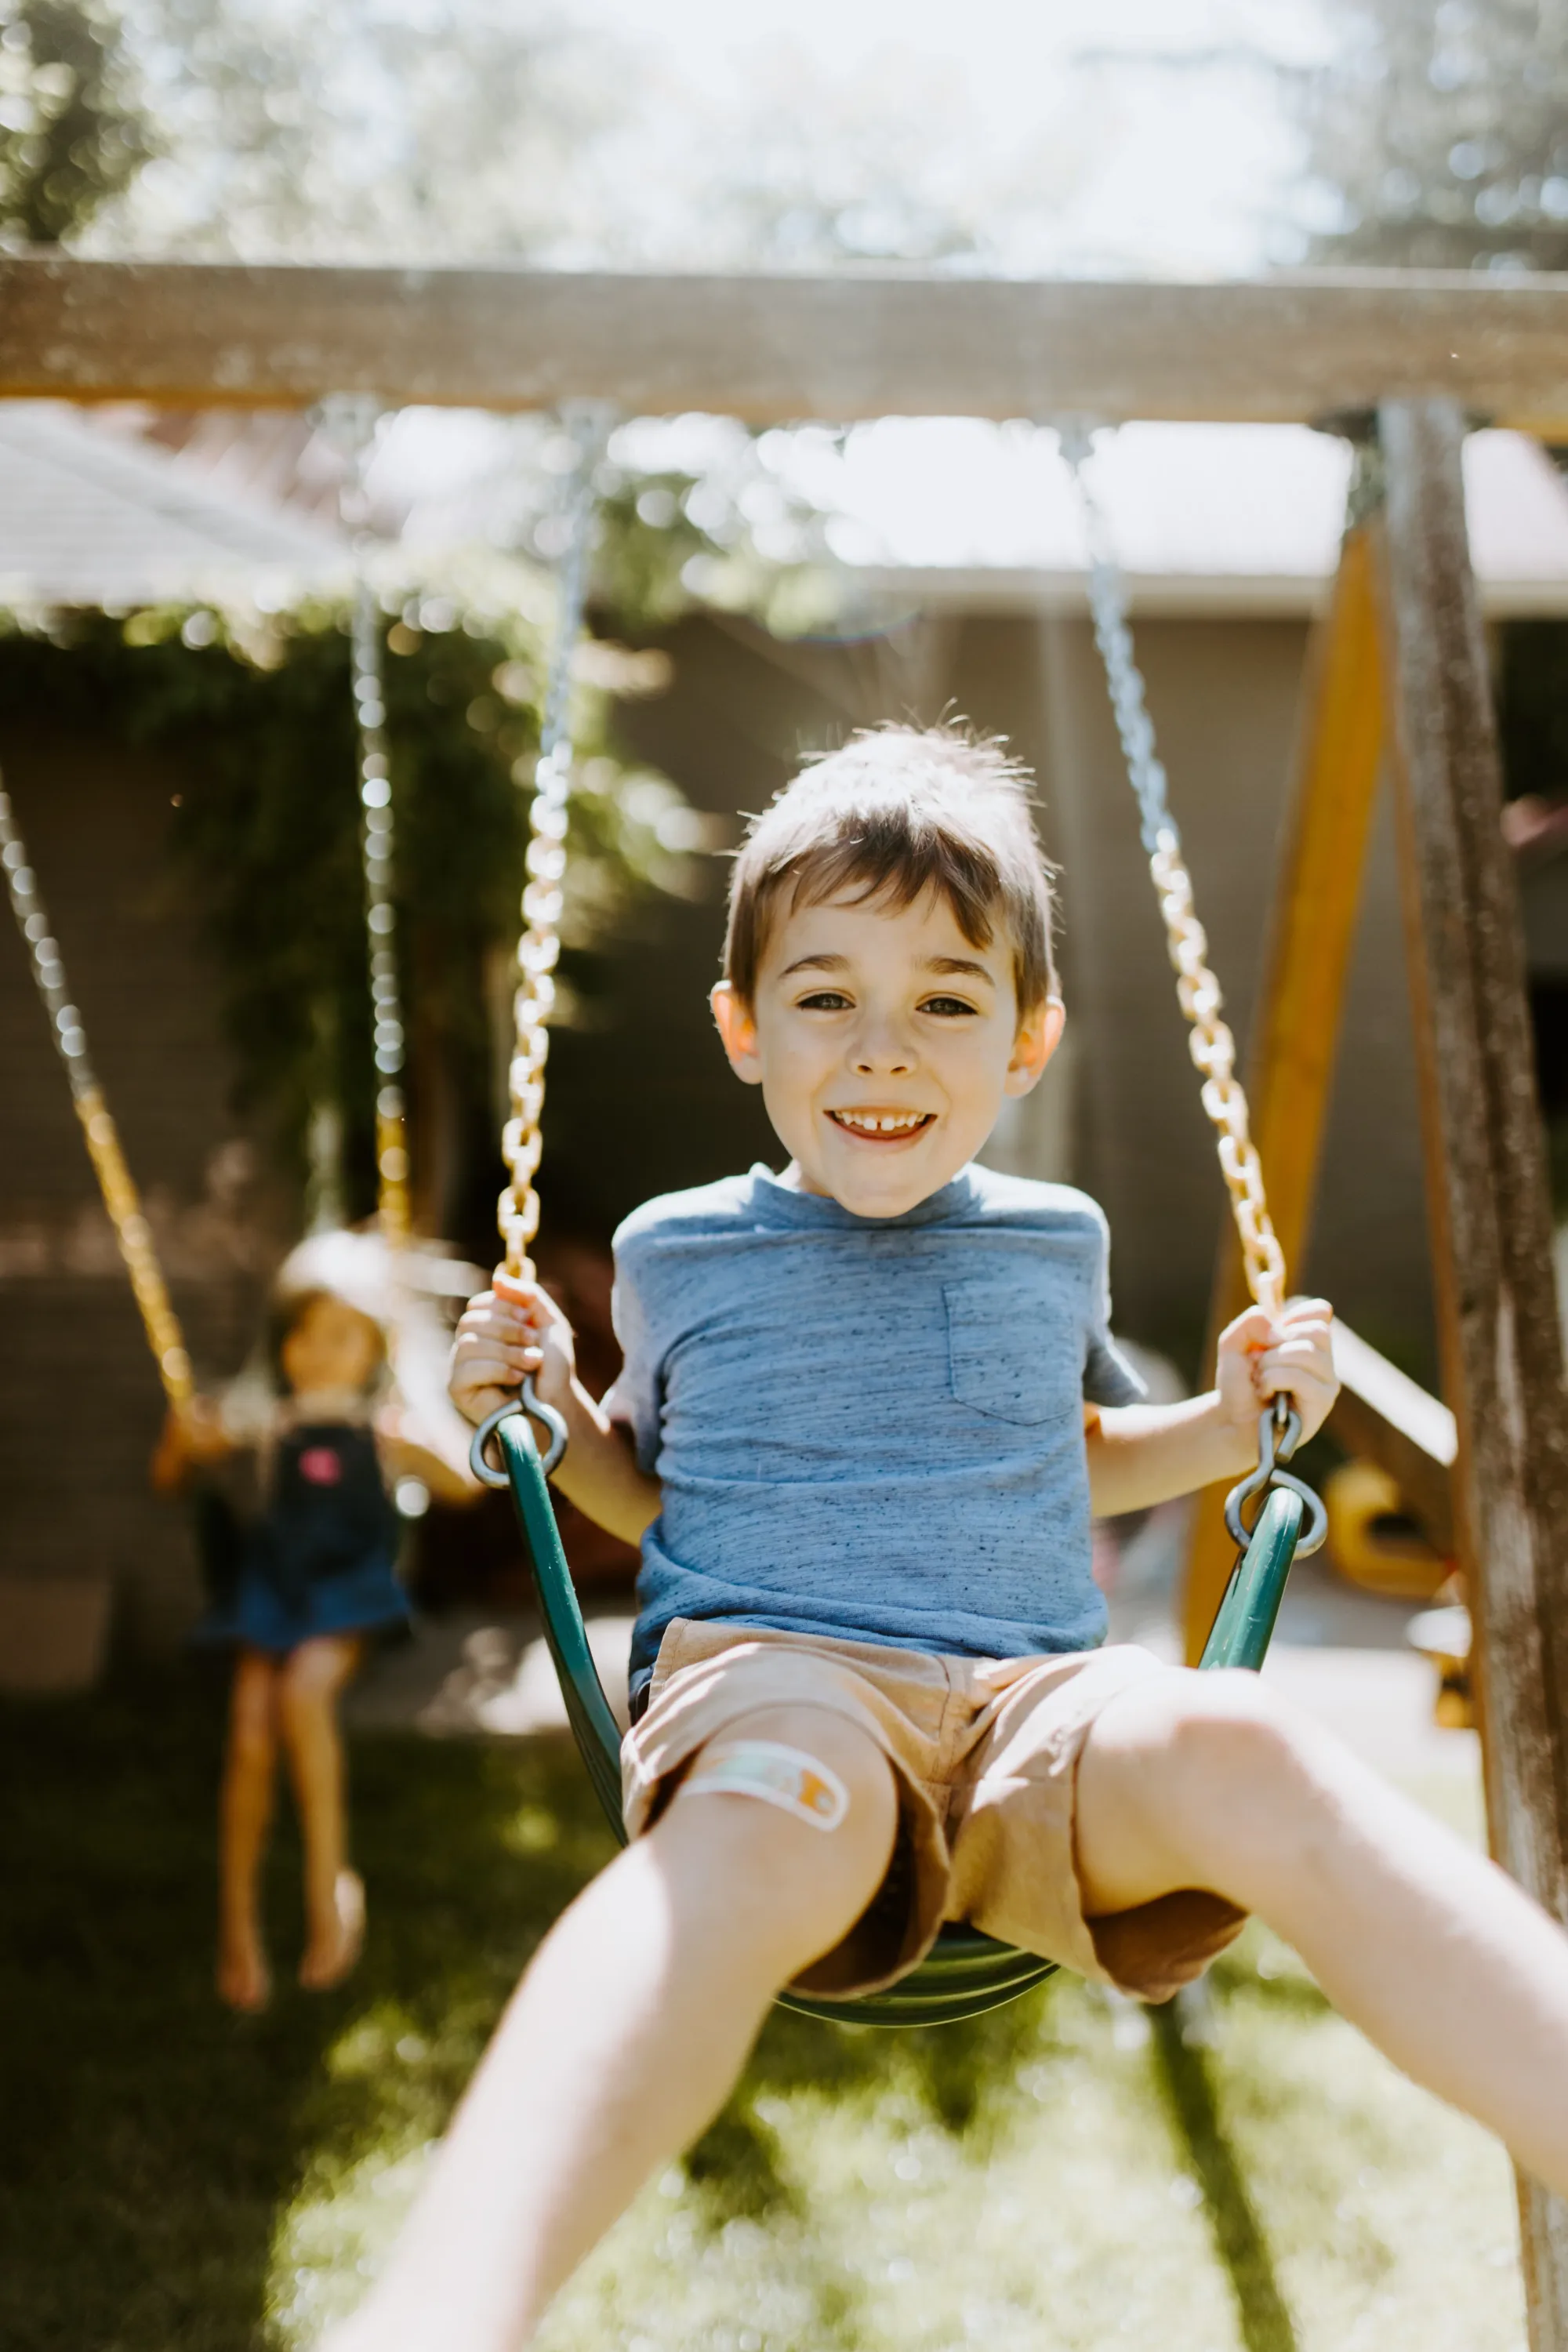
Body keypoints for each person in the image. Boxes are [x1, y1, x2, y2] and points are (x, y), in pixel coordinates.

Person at [327, 727, 1568, 2352]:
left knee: (1244, 1745)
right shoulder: (678, 1250)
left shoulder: (1054, 1244)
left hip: (1031, 1709)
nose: (884, 1052)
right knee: (756, 1823)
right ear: (741, 1028)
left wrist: (1232, 1420)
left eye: (946, 1001)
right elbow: (648, 1491)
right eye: (826, 995)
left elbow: (1068, 1456)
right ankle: (440, 2317)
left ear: (1027, 1039)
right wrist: (550, 1417)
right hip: (782, 1683)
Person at [155, 1232, 474, 2013]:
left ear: (375, 1345)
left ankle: (330, 1883)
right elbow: (171, 1478)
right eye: (301, 1334)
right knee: (250, 1733)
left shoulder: (383, 1417)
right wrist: (181, 1441)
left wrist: (423, 1450)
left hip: (348, 1589)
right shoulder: (268, 1409)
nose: (316, 1352)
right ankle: (238, 1925)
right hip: (275, 1585)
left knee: (302, 1696)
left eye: (339, 1335)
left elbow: (469, 1484)